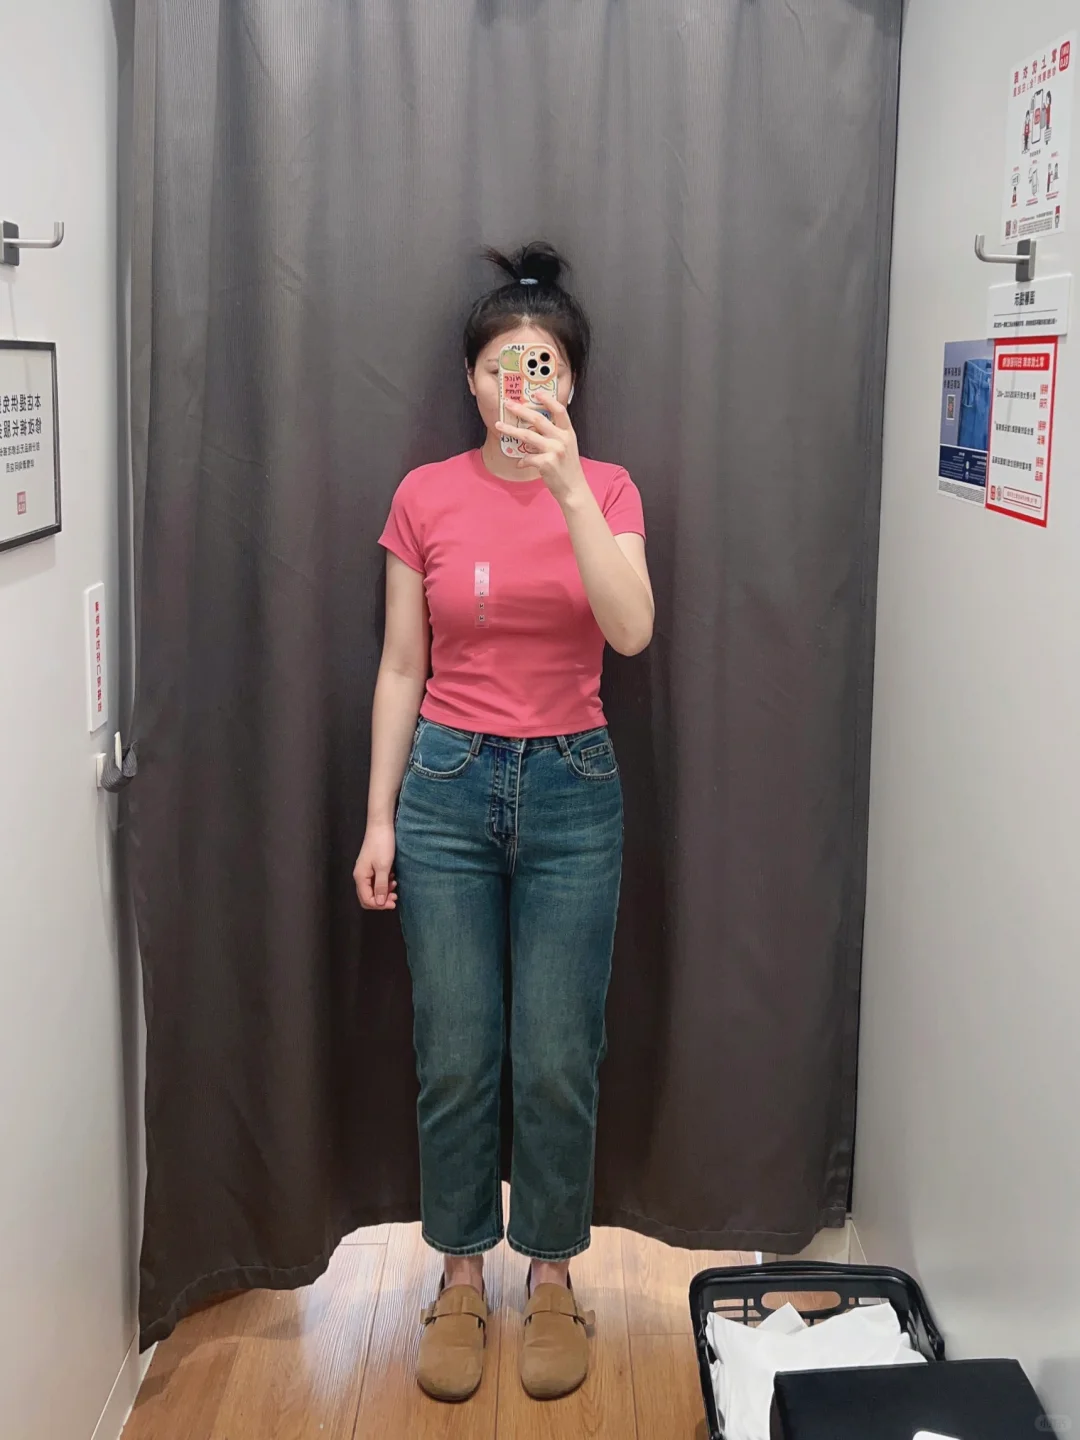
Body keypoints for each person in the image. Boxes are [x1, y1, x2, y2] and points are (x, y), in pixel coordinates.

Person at [353, 241, 653, 1403]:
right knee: (456, 1050)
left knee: (561, 1056)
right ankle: (460, 1275)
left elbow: (629, 630)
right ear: (471, 379)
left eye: (542, 367)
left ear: (569, 380)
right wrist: (379, 820)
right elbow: (399, 665)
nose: (519, 386)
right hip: (444, 787)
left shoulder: (610, 489)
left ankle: (556, 1275)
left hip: (575, 787)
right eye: (499, 367)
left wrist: (568, 486)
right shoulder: (423, 495)